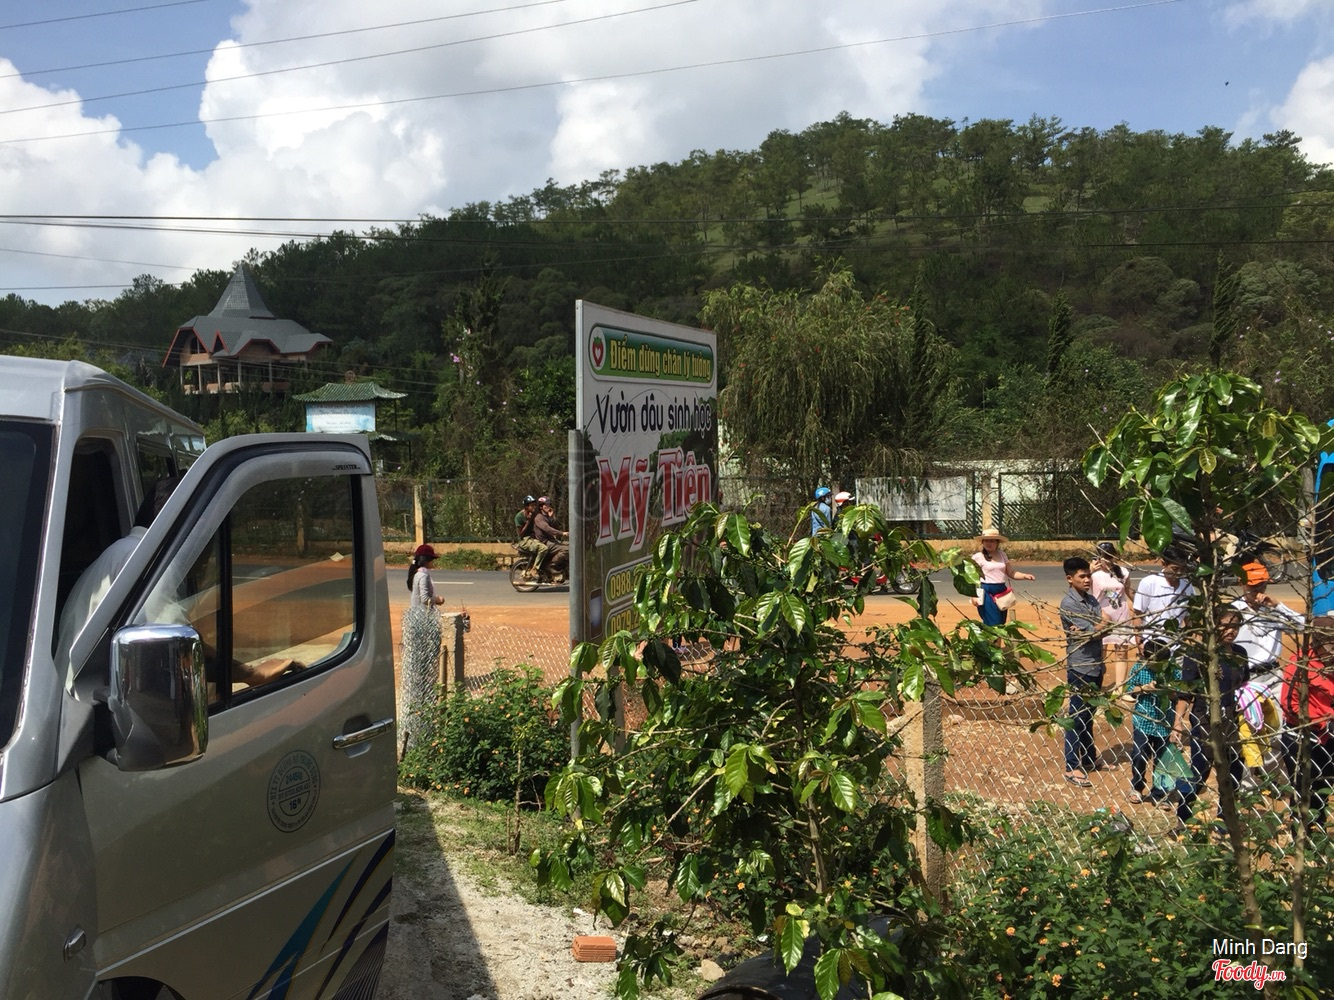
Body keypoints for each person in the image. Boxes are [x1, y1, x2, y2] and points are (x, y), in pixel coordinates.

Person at [1279, 615, 1334, 827]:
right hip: (1302, 735)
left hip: (1329, 737)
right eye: (1329, 645)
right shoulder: (1300, 665)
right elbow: (1290, 704)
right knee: (1304, 789)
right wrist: (1322, 720)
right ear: (1317, 643)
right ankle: (1301, 833)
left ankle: (1318, 830)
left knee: (1324, 788)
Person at [1059, 556, 1106, 786]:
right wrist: (1098, 628)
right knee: (1077, 716)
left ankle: (1088, 758)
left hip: (1096, 663)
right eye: (1082, 576)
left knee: (1088, 715)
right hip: (1080, 666)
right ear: (1070, 579)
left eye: (1088, 575)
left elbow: (1099, 629)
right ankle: (1071, 766)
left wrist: (1096, 628)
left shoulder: (1092, 600)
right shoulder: (1069, 604)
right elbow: (1096, 630)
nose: (1087, 580)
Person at [1232, 561, 1304, 684]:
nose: (1258, 590)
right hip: (1246, 676)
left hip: (1274, 675)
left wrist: (1278, 606)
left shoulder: (1274, 611)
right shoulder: (1233, 611)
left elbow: (1303, 626)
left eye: (1262, 585)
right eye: (1253, 586)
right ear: (1241, 584)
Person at [1090, 541, 1135, 699]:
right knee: (1100, 653)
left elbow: (1129, 592)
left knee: (1122, 653)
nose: (1107, 560)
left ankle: (1120, 689)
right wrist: (1090, 571)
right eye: (1104, 556)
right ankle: (1096, 688)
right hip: (1101, 617)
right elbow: (1084, 591)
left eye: (1110, 556)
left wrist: (1142, 606)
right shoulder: (1093, 575)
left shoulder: (1123, 572)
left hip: (1121, 616)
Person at [970, 528, 1034, 626]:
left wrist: (1025, 576)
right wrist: (973, 595)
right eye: (986, 541)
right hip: (986, 591)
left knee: (1001, 622)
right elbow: (970, 577)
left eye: (992, 541)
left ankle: (993, 637)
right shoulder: (978, 557)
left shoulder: (1002, 555)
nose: (989, 543)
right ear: (982, 542)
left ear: (997, 542)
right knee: (993, 623)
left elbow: (1011, 572)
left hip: (1001, 591)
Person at [402, 543, 445, 686]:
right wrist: (438, 600)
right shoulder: (423, 576)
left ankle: (421, 678)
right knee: (426, 649)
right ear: (427, 560)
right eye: (432, 559)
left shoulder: (418, 574)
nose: (434, 562)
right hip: (422, 617)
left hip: (417, 616)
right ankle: (424, 679)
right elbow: (425, 599)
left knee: (418, 649)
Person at [532, 497, 569, 577]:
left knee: (570, 545)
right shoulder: (539, 518)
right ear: (541, 507)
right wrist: (562, 533)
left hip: (551, 540)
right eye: (545, 505)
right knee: (567, 549)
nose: (548, 506)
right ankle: (551, 565)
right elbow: (547, 529)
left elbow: (555, 527)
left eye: (548, 504)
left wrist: (551, 517)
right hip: (545, 542)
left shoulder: (547, 517)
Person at [514, 495, 547, 574]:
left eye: (534, 505)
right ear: (526, 507)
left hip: (533, 538)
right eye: (532, 506)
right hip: (524, 541)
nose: (534, 507)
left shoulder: (533, 514)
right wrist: (528, 522)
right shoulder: (519, 517)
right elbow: (520, 534)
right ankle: (534, 569)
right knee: (543, 549)